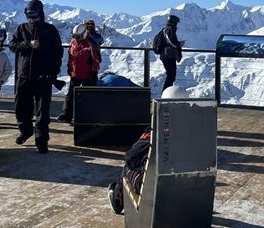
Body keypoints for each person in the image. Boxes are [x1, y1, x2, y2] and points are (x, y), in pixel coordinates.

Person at [107, 85, 189, 214]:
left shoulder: (156, 133)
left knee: (128, 167)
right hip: (186, 188)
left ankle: (118, 199)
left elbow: (131, 157)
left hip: (156, 189)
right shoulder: (193, 132)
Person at [9, 0, 63, 154]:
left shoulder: (50, 30)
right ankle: (25, 131)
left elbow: (57, 53)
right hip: (24, 75)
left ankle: (41, 140)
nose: (31, 18)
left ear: (40, 13)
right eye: (28, 14)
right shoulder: (21, 28)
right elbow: (12, 45)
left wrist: (52, 73)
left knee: (42, 111)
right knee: (21, 108)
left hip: (43, 77)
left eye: (33, 14)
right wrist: (27, 44)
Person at [59, 23, 101, 124]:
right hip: (75, 74)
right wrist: (69, 67)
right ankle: (67, 115)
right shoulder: (73, 42)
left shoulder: (91, 44)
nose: (77, 38)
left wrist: (94, 72)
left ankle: (88, 117)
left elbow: (97, 59)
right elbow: (71, 56)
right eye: (74, 36)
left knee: (88, 97)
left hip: (88, 75)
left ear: (84, 34)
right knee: (70, 96)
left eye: (78, 36)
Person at [159, 14, 184, 92]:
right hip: (169, 56)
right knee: (171, 76)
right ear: (174, 22)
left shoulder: (166, 29)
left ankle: (166, 94)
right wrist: (179, 44)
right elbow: (171, 42)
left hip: (166, 55)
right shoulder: (170, 29)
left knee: (170, 76)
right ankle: (165, 94)